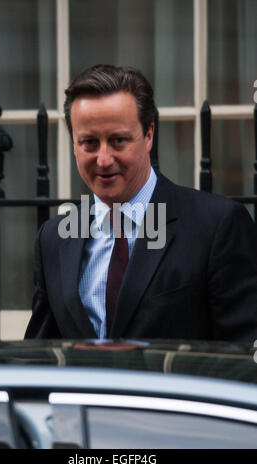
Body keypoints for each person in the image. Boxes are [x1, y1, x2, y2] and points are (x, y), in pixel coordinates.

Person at [25, 64, 257, 343]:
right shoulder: (53, 238)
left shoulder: (217, 226)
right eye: (89, 142)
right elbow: (42, 353)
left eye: (118, 140)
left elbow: (241, 356)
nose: (103, 159)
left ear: (149, 135)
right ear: (74, 145)